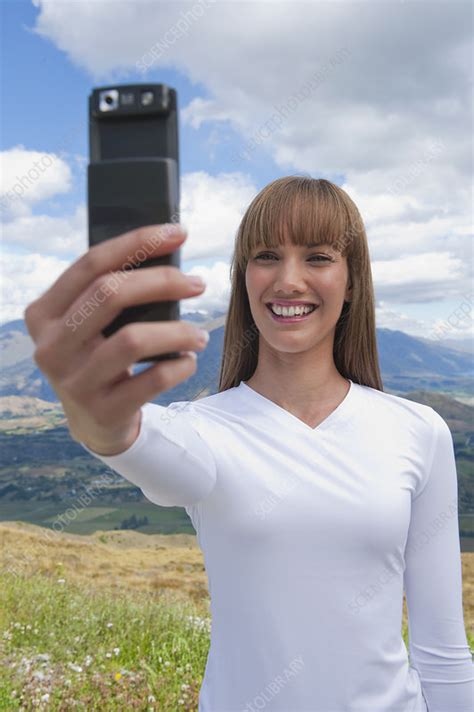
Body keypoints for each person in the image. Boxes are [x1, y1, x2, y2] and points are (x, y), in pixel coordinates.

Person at [24, 176, 473, 711]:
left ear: (352, 281)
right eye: (266, 256)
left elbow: (441, 648)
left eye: (318, 257)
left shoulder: (418, 431)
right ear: (243, 277)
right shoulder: (203, 430)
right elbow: (140, 443)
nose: (288, 280)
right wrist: (99, 421)